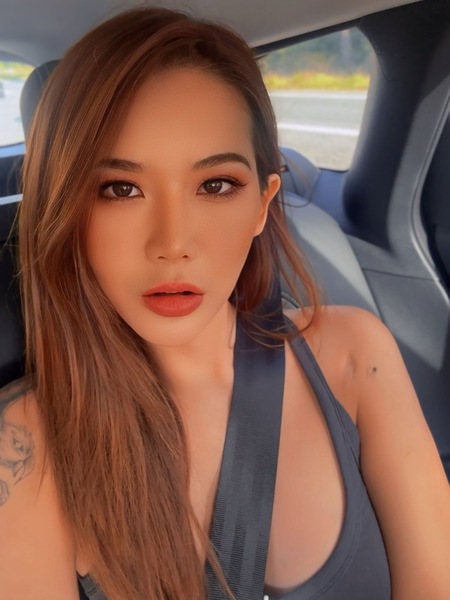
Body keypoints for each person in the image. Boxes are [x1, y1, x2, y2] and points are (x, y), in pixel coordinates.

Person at [0, 7, 449, 600]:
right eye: (119, 189)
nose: (173, 244)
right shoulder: (24, 449)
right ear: (66, 211)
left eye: (216, 185)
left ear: (263, 203)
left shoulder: (355, 355)